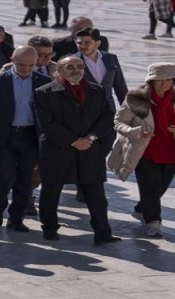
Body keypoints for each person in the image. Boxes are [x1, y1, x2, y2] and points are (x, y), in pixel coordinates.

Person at [34, 55, 119, 245]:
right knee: (51, 191)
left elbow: (107, 117)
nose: (76, 70)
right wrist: (73, 141)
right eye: (70, 67)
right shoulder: (44, 92)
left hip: (89, 149)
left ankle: (103, 232)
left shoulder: (96, 90)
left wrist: (91, 138)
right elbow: (47, 124)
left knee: (96, 194)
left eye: (79, 66)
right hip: (58, 150)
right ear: (59, 71)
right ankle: (49, 228)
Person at [106, 63, 175, 239]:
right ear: (151, 80)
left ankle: (141, 209)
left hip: (171, 151)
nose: (164, 84)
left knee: (160, 187)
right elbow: (119, 122)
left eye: (168, 80)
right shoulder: (137, 98)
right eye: (160, 80)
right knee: (150, 188)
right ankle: (154, 223)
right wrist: (135, 132)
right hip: (144, 151)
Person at [0, 46, 49, 232]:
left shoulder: (43, 82)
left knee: (25, 180)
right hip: (5, 136)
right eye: (21, 64)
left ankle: (16, 218)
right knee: (7, 176)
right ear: (12, 60)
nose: (26, 69)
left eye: (31, 65)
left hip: (29, 137)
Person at [75, 28, 126, 107]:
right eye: (79, 43)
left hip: (109, 108)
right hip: (84, 110)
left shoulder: (111, 58)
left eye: (87, 42)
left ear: (97, 43)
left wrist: (127, 109)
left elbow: (121, 87)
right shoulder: (73, 61)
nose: (82, 46)